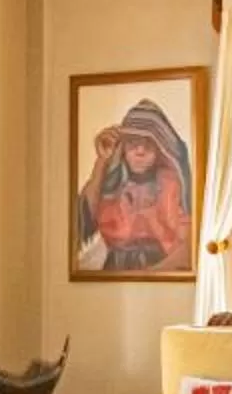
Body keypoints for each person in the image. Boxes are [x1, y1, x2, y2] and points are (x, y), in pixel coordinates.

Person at [74, 99, 195, 273]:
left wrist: (147, 276)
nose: (140, 151)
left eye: (148, 143)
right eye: (132, 142)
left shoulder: (171, 184)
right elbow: (82, 222)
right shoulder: (112, 181)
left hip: (161, 272)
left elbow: (187, 248)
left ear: (161, 147)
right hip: (114, 274)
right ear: (122, 147)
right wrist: (102, 161)